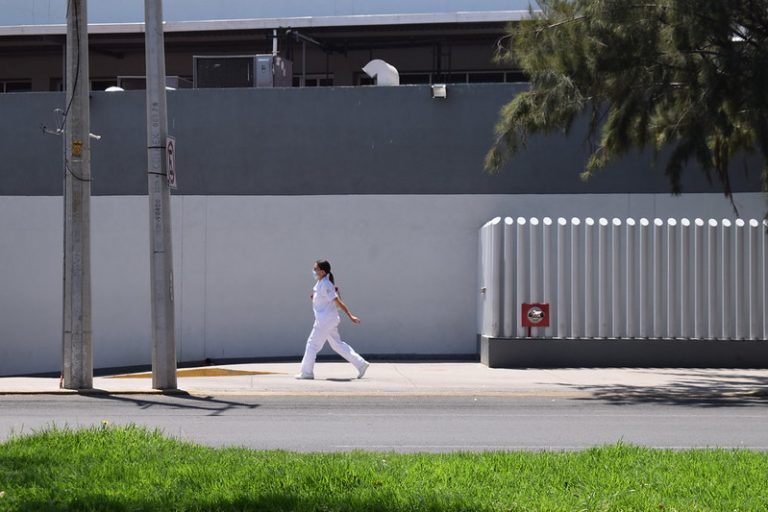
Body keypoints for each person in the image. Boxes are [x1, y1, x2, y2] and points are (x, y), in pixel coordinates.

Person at [296, 260, 370, 380]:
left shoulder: (325, 284)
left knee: (312, 345)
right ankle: (361, 364)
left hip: (324, 321)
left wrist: (350, 315)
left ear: (322, 271)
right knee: (337, 345)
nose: (313, 271)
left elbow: (337, 301)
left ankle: (307, 372)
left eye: (316, 269)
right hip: (327, 320)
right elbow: (325, 301)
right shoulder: (321, 284)